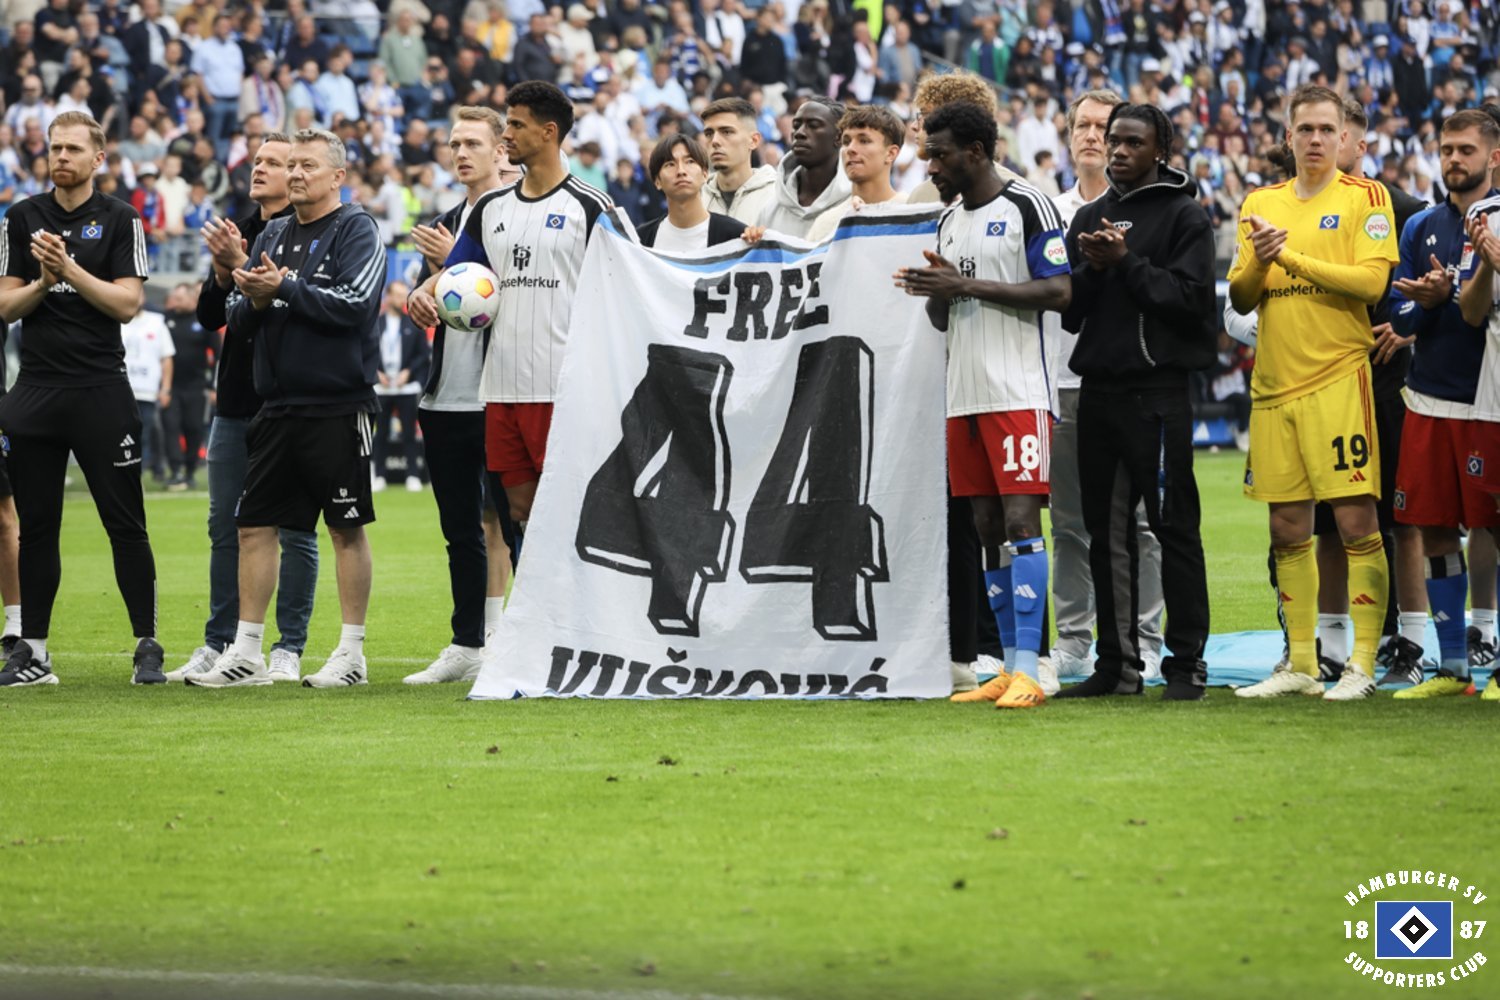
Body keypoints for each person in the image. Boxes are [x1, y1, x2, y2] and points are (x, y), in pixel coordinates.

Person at [190, 128, 384, 689]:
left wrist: (279, 291)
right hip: (275, 405)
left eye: (307, 165)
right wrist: (256, 292)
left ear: (337, 177)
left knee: (345, 527)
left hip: (337, 402)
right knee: (252, 526)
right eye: (291, 165)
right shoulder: (272, 230)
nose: (296, 173)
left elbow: (355, 305)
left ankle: (351, 654)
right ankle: (247, 651)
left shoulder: (357, 228)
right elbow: (235, 310)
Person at [894, 101, 1072, 710]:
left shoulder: (1028, 204)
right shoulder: (947, 221)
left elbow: (1058, 290)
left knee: (1023, 525)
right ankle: (1005, 666)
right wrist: (933, 291)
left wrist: (962, 285)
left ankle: (1036, 666)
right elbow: (944, 314)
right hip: (963, 396)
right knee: (987, 528)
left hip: (1017, 392)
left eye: (938, 153)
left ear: (975, 150)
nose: (930, 164)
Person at [1228, 86, 1400, 701]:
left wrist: (1290, 257)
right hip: (1273, 384)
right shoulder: (1259, 201)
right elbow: (1243, 295)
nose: (1317, 140)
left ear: (1342, 136)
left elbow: (1372, 282)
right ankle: (1301, 663)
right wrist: (1261, 259)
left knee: (1355, 519)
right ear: (1289, 135)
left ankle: (1361, 665)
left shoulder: (1366, 198)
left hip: (1336, 377)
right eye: (1306, 129)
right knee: (1286, 528)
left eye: (1327, 129)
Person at [414, 82, 635, 535]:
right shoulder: (491, 208)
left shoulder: (593, 206)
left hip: (564, 389)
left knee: (571, 515)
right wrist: (425, 290)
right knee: (521, 514)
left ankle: (582, 607)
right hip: (500, 390)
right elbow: (457, 271)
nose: (507, 135)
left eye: (516, 124)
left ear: (549, 132)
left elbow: (635, 284)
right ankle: (538, 609)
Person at [1056, 103, 1217, 701]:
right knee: (1106, 533)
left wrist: (1125, 262)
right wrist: (1097, 270)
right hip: (1099, 391)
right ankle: (1116, 665)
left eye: (1131, 141)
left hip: (1157, 394)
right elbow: (1072, 314)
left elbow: (1192, 300)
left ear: (1160, 150)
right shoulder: (1090, 217)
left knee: (1173, 527)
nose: (1117, 149)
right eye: (1111, 140)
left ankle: (1185, 665)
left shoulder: (1185, 216)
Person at [0, 110, 162, 686]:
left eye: (72, 149)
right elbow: (5, 306)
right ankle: (34, 652)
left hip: (100, 390)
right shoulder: (22, 218)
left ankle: (147, 642)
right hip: (37, 391)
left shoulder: (121, 219)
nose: (60, 157)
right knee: (36, 527)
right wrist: (42, 283)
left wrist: (66, 267)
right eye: (54, 148)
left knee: (126, 523)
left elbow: (126, 304)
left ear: (99, 158)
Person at [168, 132, 320, 685]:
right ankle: (220, 641)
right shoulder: (242, 231)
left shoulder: (310, 234)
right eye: (258, 161)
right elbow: (213, 317)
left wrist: (240, 266)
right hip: (234, 398)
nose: (261, 170)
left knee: (296, 528)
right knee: (225, 525)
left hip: (290, 398)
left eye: (275, 163)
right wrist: (221, 268)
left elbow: (291, 310)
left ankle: (289, 647)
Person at [1044, 88, 1168, 688]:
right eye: (1084, 126)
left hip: (1130, 387)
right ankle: (1073, 640)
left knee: (1141, 525)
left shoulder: (1151, 211)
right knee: (1068, 523)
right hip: (1063, 385)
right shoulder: (1046, 209)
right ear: (1069, 137)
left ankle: (1145, 637)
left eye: (1105, 127)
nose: (1094, 136)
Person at [401, 106, 520, 686]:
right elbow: (425, 291)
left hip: (503, 392)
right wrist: (417, 298)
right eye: (454, 143)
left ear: (502, 150)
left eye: (474, 142)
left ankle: (513, 634)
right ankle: (468, 641)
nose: (461, 153)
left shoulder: (516, 214)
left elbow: (514, 293)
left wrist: (450, 264)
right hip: (446, 396)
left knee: (510, 520)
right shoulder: (446, 218)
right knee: (460, 528)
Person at [1391, 109, 1500, 698]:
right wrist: (1430, 300)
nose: (1454, 159)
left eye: (1465, 149)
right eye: (1446, 149)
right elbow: (1400, 315)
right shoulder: (1421, 227)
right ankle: (1453, 665)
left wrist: (1453, 293)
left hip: (1489, 401)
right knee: (1433, 529)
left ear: (1494, 157)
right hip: (1430, 399)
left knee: (1497, 526)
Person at [1459, 171, 1500, 701]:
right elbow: (1471, 313)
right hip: (1492, 393)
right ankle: (1484, 640)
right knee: (1490, 517)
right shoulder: (1487, 218)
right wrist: (1488, 261)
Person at [805, 104, 908, 242]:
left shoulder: (911, 211)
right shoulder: (825, 223)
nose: (850, 149)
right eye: (846, 142)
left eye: (864, 141)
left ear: (890, 153)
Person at [757, 96, 852, 239]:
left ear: (839, 137)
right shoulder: (770, 209)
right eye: (796, 126)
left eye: (813, 125)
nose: (799, 133)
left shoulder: (855, 205)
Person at [371, 279, 430, 492]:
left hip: (406, 388)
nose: (401, 299)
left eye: (404, 294)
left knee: (408, 433)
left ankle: (413, 475)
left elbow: (423, 356)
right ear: (387, 297)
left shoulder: (413, 323)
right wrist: (377, 374)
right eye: (397, 295)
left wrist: (409, 372)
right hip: (382, 388)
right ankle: (378, 475)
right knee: (381, 432)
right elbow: (366, 352)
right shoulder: (375, 323)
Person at [638, 133, 742, 250]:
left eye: (690, 161)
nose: (681, 171)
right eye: (670, 164)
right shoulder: (640, 241)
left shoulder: (736, 236)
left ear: (705, 174)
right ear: (657, 181)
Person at [161, 282, 213, 491]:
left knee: (193, 429)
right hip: (171, 387)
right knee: (171, 428)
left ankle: (190, 472)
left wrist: (212, 386)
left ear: (193, 299)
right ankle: (175, 471)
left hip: (196, 386)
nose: (176, 302)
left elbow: (218, 354)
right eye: (175, 298)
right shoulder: (166, 319)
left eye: (180, 298)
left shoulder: (204, 320)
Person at [699, 97, 777, 227]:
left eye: (727, 132)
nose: (715, 141)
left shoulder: (777, 197)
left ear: (754, 141)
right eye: (709, 134)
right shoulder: (696, 198)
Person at [121, 305, 175, 482]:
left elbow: (166, 357)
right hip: (120, 389)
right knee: (121, 435)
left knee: (146, 433)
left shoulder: (156, 322)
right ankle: (123, 472)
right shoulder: (115, 318)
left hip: (147, 390)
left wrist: (165, 388)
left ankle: (141, 472)